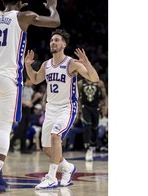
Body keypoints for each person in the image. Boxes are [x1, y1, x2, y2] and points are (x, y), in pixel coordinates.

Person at [0, 0, 60, 194]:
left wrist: (13, 9)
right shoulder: (24, 16)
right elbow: (55, 22)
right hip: (8, 77)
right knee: (6, 126)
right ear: (20, 2)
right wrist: (52, 7)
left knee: (1, 124)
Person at [24, 29, 99, 189]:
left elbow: (94, 78)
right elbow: (36, 79)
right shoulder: (46, 64)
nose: (53, 42)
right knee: (46, 148)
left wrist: (86, 63)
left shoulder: (71, 63)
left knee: (55, 137)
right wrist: (28, 66)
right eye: (52, 40)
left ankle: (51, 177)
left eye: (57, 40)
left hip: (67, 108)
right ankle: (67, 168)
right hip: (50, 109)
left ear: (64, 44)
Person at [9, 76, 42, 154]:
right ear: (27, 80)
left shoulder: (31, 90)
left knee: (25, 129)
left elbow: (30, 103)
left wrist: (35, 98)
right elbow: (16, 98)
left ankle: (23, 148)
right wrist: (24, 102)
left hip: (27, 110)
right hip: (21, 109)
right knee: (21, 128)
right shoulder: (21, 87)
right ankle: (10, 143)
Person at [78, 77, 108, 161]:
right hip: (85, 107)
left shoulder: (99, 83)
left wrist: (105, 106)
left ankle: (93, 144)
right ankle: (87, 149)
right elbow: (76, 97)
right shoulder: (81, 83)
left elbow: (104, 96)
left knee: (95, 128)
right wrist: (78, 109)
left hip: (95, 108)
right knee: (87, 125)